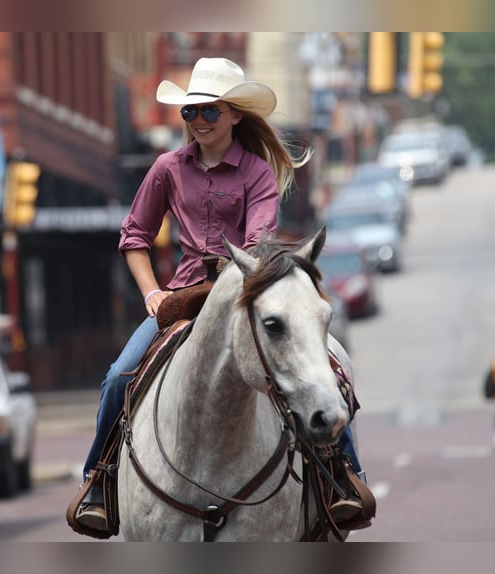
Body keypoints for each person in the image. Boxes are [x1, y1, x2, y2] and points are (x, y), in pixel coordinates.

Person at [73, 57, 365, 533]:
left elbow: (257, 248)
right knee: (115, 378)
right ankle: (98, 486)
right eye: (191, 113)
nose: (199, 121)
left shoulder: (256, 172)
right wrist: (152, 293)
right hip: (184, 298)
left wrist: (238, 276)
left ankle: (342, 478)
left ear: (234, 115)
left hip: (241, 295)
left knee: (327, 369)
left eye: (210, 111)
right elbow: (134, 237)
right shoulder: (167, 168)